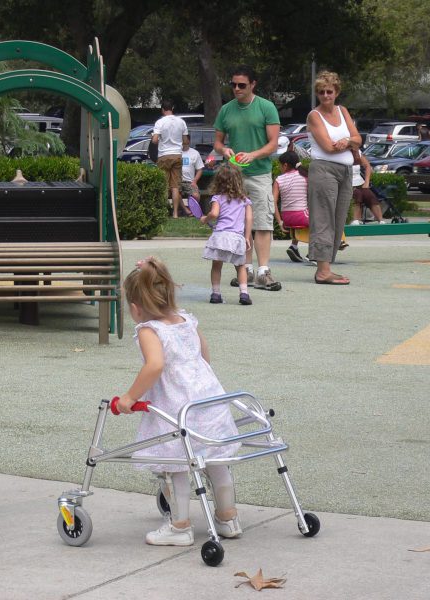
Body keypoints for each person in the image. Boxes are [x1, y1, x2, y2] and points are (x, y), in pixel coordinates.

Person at [116, 257, 243, 546]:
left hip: (177, 407)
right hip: (208, 400)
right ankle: (228, 518)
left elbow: (154, 366)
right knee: (216, 460)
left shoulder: (150, 330)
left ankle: (180, 526)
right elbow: (204, 355)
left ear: (135, 308)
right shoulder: (187, 320)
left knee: (175, 465)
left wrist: (129, 397)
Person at [213, 65, 282, 291]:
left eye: (241, 85)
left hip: (260, 173)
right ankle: (246, 269)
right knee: (239, 223)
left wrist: (252, 155)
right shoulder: (226, 110)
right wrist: (225, 151)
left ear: (253, 84)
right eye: (233, 84)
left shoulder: (266, 107)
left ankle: (263, 271)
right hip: (234, 176)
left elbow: (273, 143)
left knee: (262, 221)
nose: (236, 89)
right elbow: (218, 142)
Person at [306, 71, 362, 285]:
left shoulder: (343, 110)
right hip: (324, 170)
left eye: (329, 91)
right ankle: (322, 270)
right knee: (323, 219)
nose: (326, 96)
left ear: (336, 92)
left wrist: (347, 142)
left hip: (346, 172)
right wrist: (350, 142)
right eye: (321, 92)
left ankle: (327, 265)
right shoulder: (314, 115)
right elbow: (328, 147)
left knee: (339, 220)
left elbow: (358, 138)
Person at [200, 165, 253, 305]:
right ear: (239, 181)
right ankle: (244, 294)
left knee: (217, 266)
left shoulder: (217, 198)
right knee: (241, 266)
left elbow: (214, 214)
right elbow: (249, 219)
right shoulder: (244, 200)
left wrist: (205, 219)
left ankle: (216, 294)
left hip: (221, 236)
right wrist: (247, 237)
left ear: (218, 181)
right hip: (237, 238)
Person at [152, 100, 189, 218]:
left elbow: (155, 140)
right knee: (175, 186)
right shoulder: (181, 122)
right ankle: (175, 213)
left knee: (163, 184)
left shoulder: (159, 122)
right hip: (177, 155)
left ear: (162, 110)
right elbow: (186, 141)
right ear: (172, 108)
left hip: (164, 155)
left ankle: (163, 211)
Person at [273, 151, 310, 262]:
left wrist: (280, 222)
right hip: (302, 216)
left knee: (297, 215)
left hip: (287, 219)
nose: (279, 167)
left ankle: (294, 247)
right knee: (319, 220)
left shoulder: (278, 180)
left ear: (285, 165)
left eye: (279, 164)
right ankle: (313, 251)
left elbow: (273, 202)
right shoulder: (305, 177)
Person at [348, 149, 384, 225]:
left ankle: (381, 221)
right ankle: (355, 220)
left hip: (359, 182)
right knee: (357, 194)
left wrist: (366, 182)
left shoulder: (356, 151)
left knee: (369, 195)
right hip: (347, 183)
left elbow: (367, 166)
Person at [180, 134, 204, 210]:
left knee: (196, 195)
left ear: (189, 141)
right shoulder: (176, 152)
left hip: (190, 182)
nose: (182, 140)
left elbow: (200, 169)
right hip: (177, 181)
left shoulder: (195, 153)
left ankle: (193, 210)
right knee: (175, 192)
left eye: (184, 138)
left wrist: (194, 181)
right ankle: (185, 210)